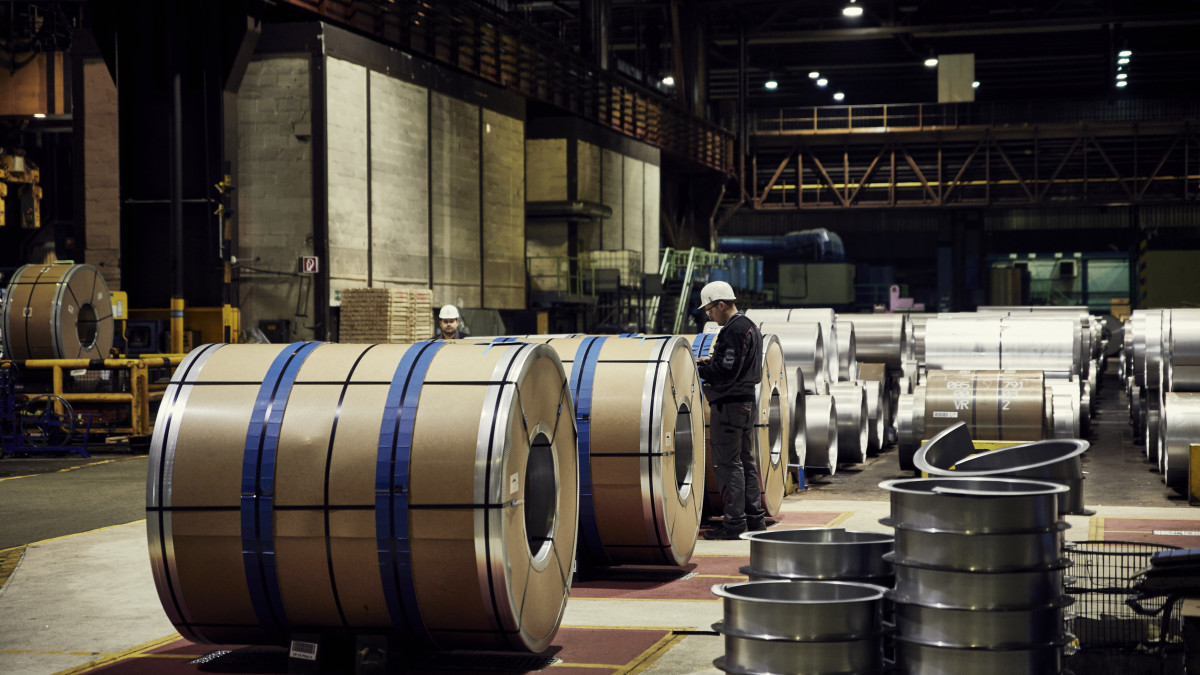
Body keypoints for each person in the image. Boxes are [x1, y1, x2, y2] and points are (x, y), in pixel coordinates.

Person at [695, 280, 770, 540]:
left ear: (722, 304)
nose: (709, 315)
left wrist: (701, 368)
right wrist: (712, 360)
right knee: (745, 460)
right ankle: (754, 519)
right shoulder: (750, 327)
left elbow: (725, 371)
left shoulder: (733, 330)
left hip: (729, 406)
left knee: (728, 464)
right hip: (745, 403)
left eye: (710, 310)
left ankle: (735, 524)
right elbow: (735, 364)